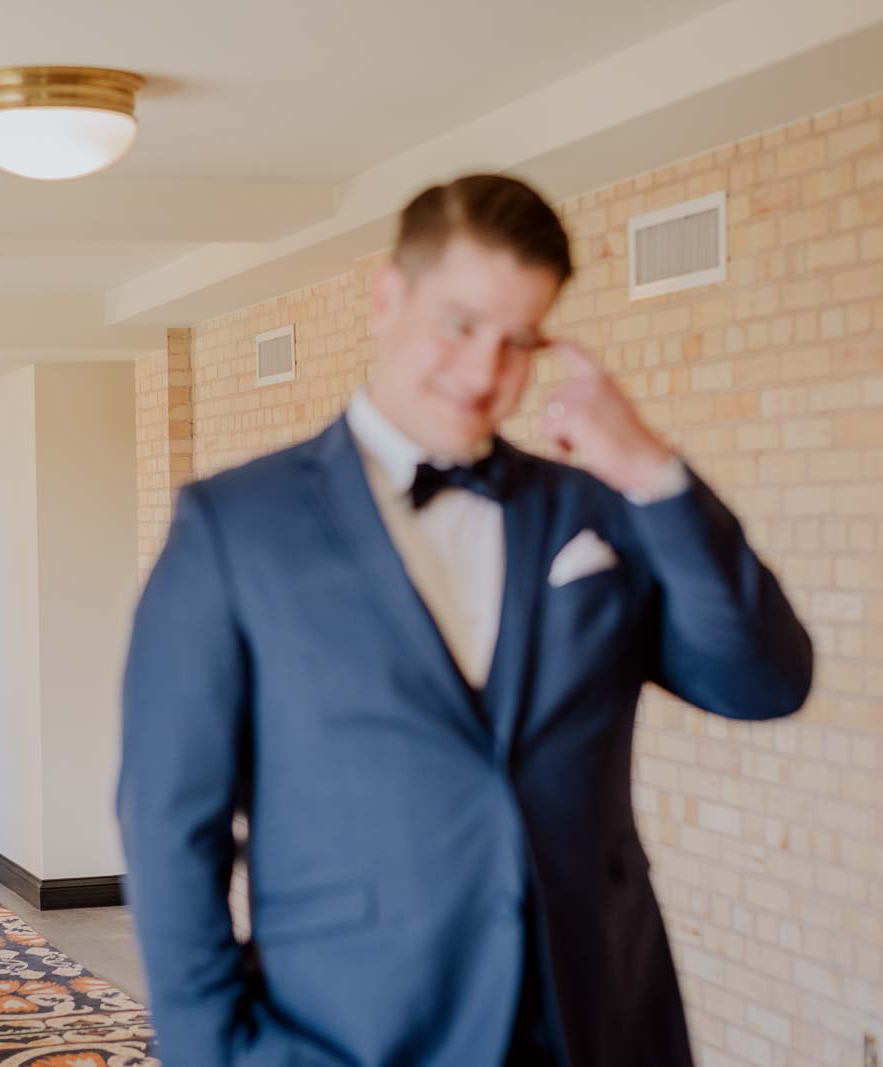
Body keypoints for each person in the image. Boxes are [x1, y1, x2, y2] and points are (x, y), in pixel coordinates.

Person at [117, 174, 813, 1066]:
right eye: (460, 324)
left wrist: (652, 472)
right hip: (350, 1029)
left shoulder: (591, 510)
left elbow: (764, 681)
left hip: (599, 1021)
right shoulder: (234, 526)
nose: (486, 371)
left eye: (520, 340)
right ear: (387, 297)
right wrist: (218, 1050)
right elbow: (171, 819)